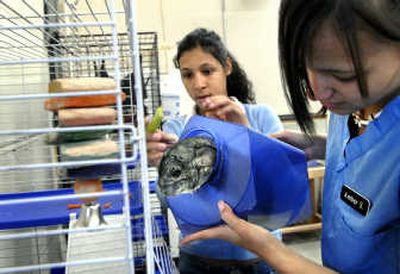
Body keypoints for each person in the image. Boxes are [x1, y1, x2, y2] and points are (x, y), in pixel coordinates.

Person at [181, 0, 400, 273]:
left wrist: (268, 248)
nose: (319, 94)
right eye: (306, 67)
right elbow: (366, 159)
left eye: (342, 75)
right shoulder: (350, 107)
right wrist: (323, 148)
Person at [146, 28, 283, 273]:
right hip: (199, 261)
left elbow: (278, 194)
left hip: (260, 259)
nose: (198, 84)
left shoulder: (261, 118)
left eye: (207, 71)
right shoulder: (178, 129)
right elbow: (170, 203)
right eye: (188, 75)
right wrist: (164, 169)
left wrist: (246, 134)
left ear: (226, 67)